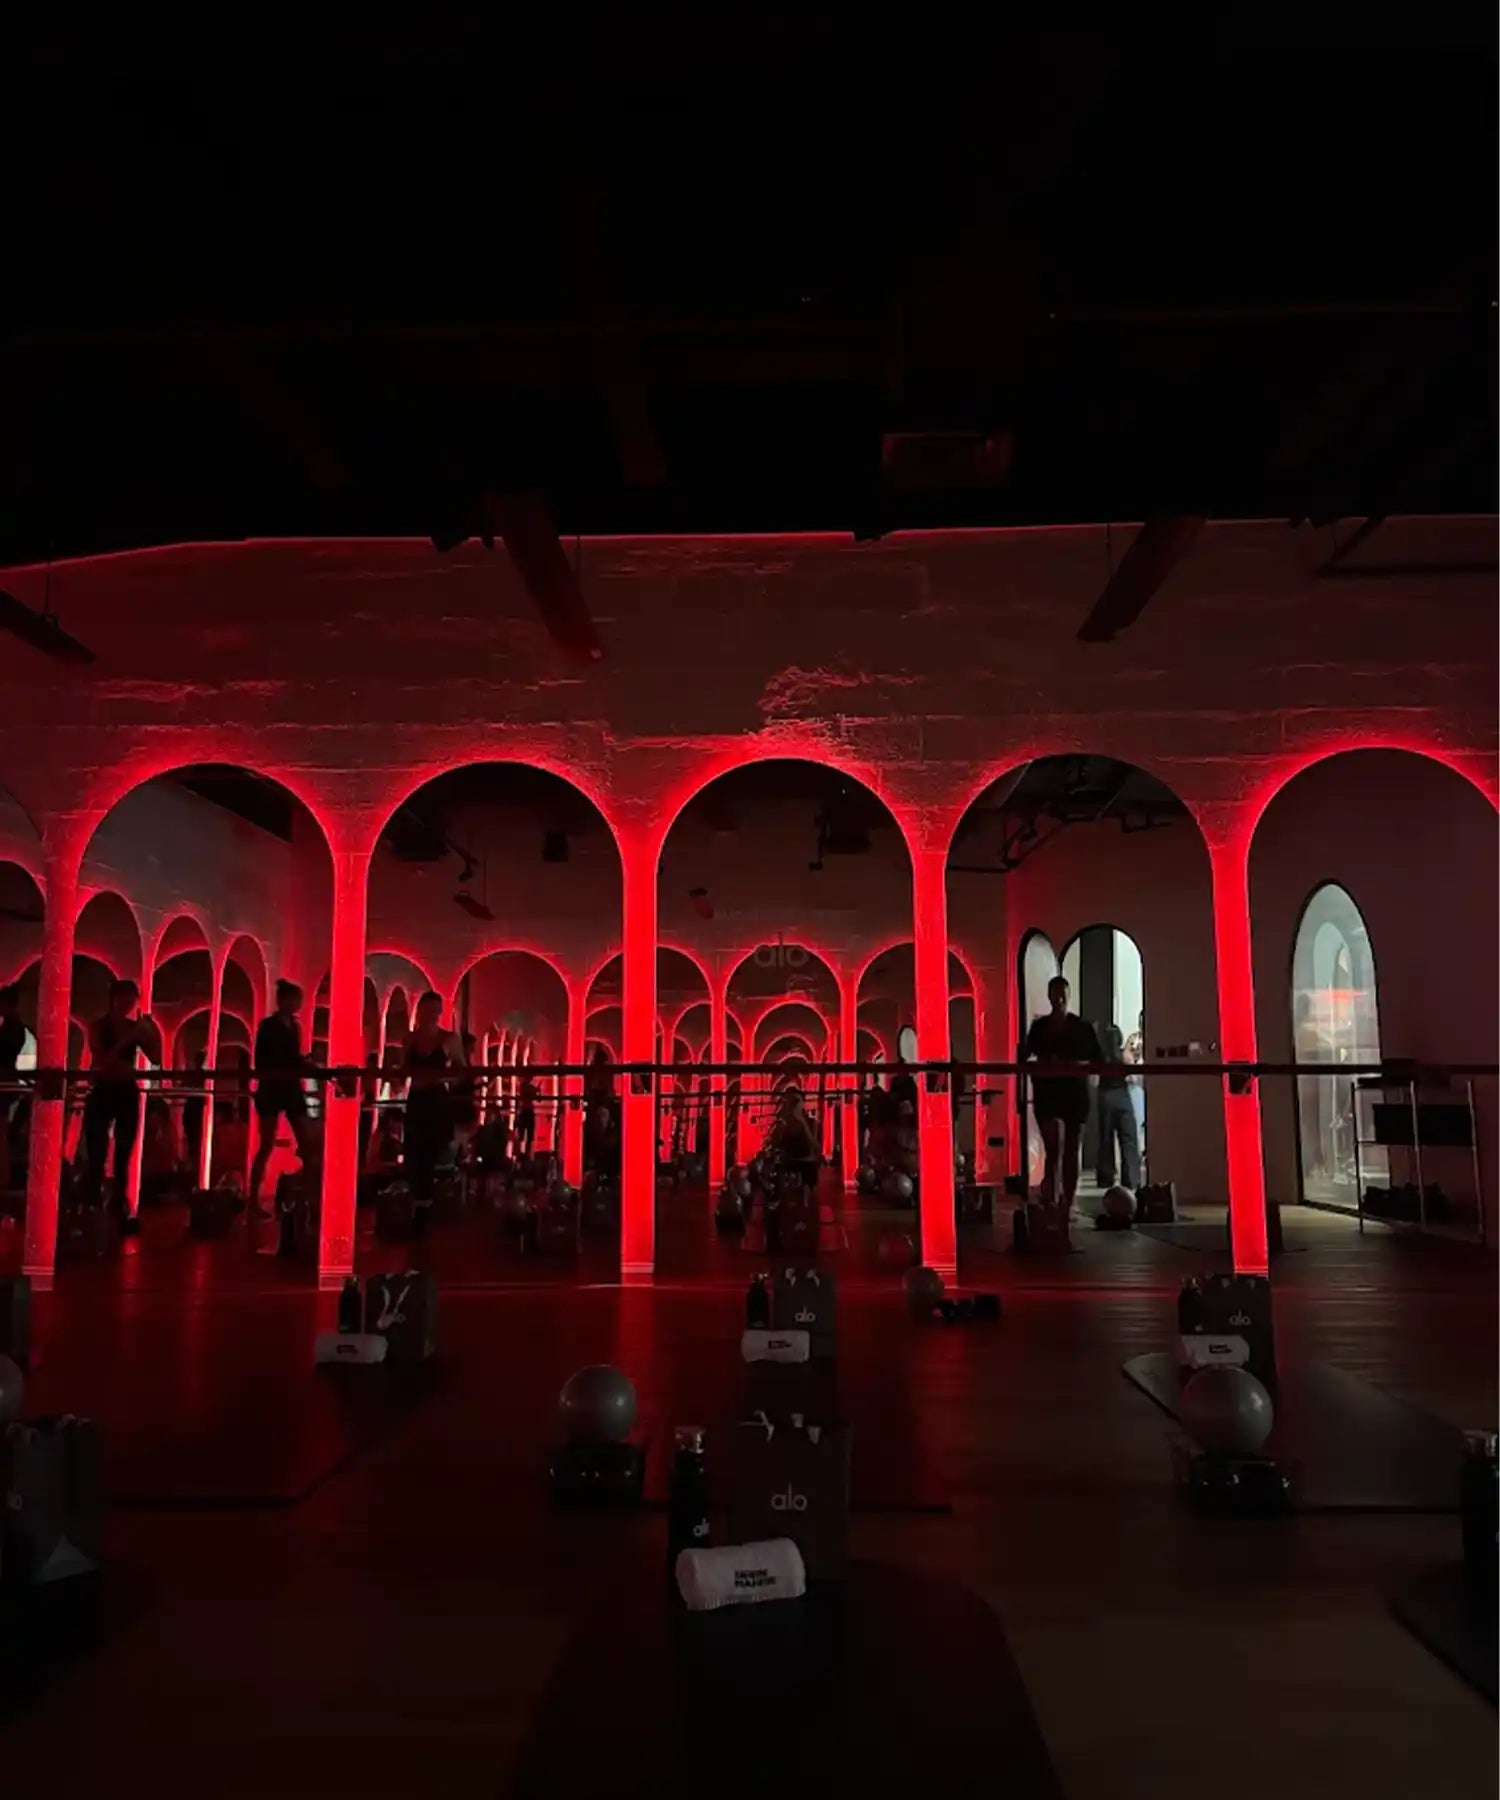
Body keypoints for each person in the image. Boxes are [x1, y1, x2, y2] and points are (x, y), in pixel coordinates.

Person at [82, 977, 158, 1227]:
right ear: (114, 999)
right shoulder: (99, 1027)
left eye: (132, 999)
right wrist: (128, 1039)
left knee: (123, 1153)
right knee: (97, 1151)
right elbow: (102, 1061)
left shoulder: (132, 1027)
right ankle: (92, 1204)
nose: (129, 1004)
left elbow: (155, 1057)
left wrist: (150, 1033)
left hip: (126, 1089)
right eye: (125, 998)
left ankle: (117, 1206)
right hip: (105, 1089)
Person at [1024, 975, 1102, 1216]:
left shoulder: (1081, 1027)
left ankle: (1066, 1202)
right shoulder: (1041, 1027)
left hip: (1073, 1092)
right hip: (1050, 1092)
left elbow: (1097, 1060)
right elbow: (1025, 1056)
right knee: (1054, 1150)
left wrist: (1072, 1065)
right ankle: (1055, 1200)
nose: (1058, 999)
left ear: (1068, 996)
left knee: (1070, 1149)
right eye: (1054, 994)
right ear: (1049, 996)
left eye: (1062, 994)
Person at [249, 980, 321, 1216]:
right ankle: (254, 1200)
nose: (297, 1004)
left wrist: (300, 1062)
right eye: (295, 999)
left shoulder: (288, 1026)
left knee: (301, 1143)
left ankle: (309, 1197)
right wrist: (300, 1063)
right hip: (276, 1086)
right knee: (270, 1143)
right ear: (285, 1001)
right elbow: (262, 1059)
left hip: (284, 1086)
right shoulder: (271, 1027)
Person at [400, 991, 465, 1205]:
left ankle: (426, 1201)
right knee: (415, 1151)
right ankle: (419, 1201)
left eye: (434, 1009)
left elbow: (461, 1069)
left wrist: (444, 1078)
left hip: (435, 1097)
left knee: (430, 1150)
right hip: (418, 1096)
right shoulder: (410, 1039)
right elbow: (404, 1069)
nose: (431, 1013)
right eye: (427, 1009)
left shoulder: (448, 1039)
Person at [1094, 1022, 1142, 1192]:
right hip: (1123, 1096)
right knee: (1129, 1140)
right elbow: (1134, 1077)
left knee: (1105, 1140)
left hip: (1105, 1096)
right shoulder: (1124, 1056)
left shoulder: (1100, 1058)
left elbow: (1093, 1081)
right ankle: (1131, 1179)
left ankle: (1105, 1177)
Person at [181, 1048, 208, 1180]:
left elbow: (183, 1086)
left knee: (195, 1141)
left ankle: (195, 1171)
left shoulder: (197, 1075)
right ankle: (194, 1172)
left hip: (196, 1109)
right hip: (195, 1109)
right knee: (194, 1141)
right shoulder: (201, 1075)